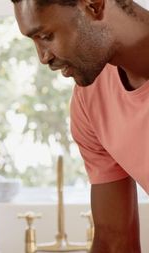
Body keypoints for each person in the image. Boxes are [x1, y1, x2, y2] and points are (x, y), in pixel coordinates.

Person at [11, 0, 149, 252]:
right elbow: (113, 242)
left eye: (46, 36)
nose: (43, 57)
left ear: (94, 5)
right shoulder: (91, 100)